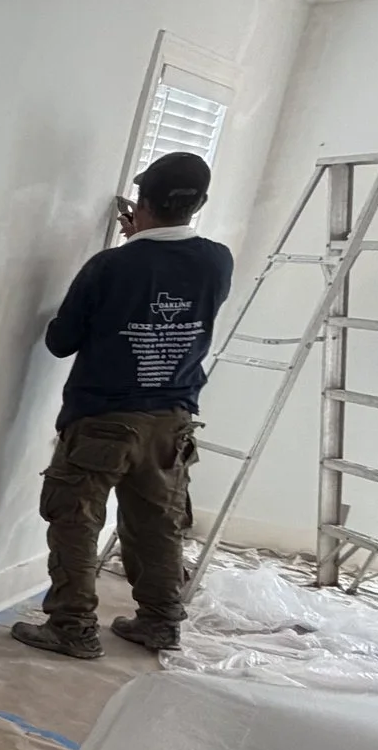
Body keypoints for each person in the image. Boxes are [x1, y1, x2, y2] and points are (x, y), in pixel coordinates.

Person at [13, 150, 233, 659]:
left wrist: (128, 258)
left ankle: (72, 628)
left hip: (103, 422)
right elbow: (170, 276)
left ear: (142, 202)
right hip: (171, 424)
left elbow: (60, 341)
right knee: (158, 526)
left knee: (76, 520)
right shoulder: (216, 260)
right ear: (198, 204)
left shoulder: (111, 265)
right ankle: (159, 623)